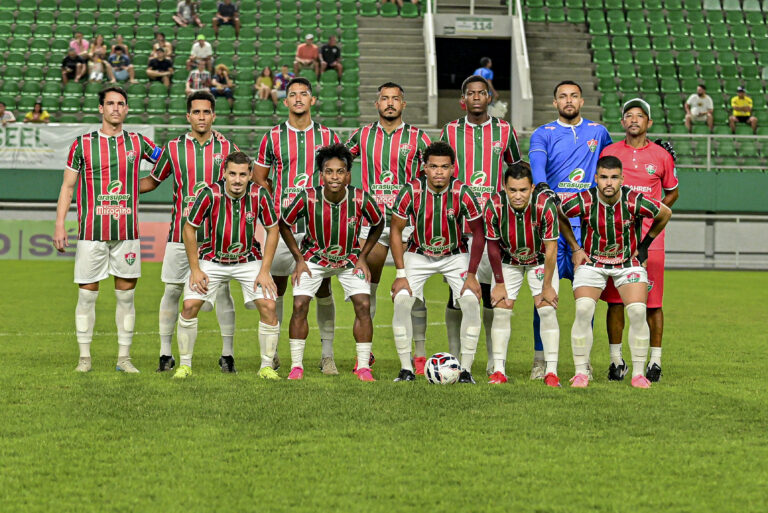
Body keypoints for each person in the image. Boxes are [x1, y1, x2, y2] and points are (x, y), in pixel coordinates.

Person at [52, 86, 161, 373]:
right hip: (91, 233)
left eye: (121, 104)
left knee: (126, 297)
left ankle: (124, 359)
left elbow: (168, 161)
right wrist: (60, 224)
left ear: (126, 109)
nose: (115, 108)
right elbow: (68, 186)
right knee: (87, 296)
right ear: (101, 108)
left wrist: (141, 186)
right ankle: (84, 359)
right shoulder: (82, 144)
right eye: (110, 103)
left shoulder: (139, 142)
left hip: (127, 234)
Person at [139, 89, 241, 373]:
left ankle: (227, 354)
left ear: (214, 115)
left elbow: (238, 187)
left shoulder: (227, 148)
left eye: (206, 111)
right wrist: (122, 188)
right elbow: (152, 181)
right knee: (171, 290)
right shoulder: (173, 148)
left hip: (217, 236)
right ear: (188, 116)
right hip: (179, 234)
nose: (201, 116)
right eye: (196, 112)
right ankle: (165, 353)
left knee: (222, 292)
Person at [559, 155, 671, 388]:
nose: (608, 183)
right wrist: (575, 247)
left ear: (622, 179)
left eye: (613, 177)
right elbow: (560, 212)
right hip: (593, 263)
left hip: (626, 263)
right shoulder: (584, 199)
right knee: (583, 310)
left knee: (638, 312)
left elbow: (664, 213)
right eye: (603, 177)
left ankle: (638, 374)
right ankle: (581, 373)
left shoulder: (633, 200)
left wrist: (644, 245)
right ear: (596, 178)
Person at [253, 78, 341, 373]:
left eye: (304, 94)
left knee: (323, 288)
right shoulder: (273, 136)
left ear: (312, 100)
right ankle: (274, 351)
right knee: (275, 287)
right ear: (285, 101)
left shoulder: (327, 135)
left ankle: (327, 354)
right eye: (293, 94)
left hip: (318, 225)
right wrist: (275, 203)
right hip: (282, 225)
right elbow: (259, 177)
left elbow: (337, 175)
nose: (299, 98)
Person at [345, 82, 433, 374]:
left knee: (413, 291)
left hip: (406, 225)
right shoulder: (363, 134)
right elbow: (339, 162)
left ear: (403, 105)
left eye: (396, 99)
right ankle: (365, 354)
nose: (390, 103)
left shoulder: (419, 138)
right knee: (365, 291)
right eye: (385, 99)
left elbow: (433, 175)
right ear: (377, 104)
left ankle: (419, 355)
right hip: (371, 223)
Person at [527, 80, 612, 380]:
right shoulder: (543, 133)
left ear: (582, 101)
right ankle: (540, 360)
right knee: (543, 299)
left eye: (573, 95)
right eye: (562, 96)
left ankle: (583, 360)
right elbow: (537, 165)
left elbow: (614, 164)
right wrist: (544, 188)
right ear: (554, 103)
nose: (568, 100)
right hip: (550, 227)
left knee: (585, 302)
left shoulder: (598, 133)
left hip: (586, 231)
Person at [279, 144, 384, 381]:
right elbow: (284, 223)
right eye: (329, 171)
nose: (334, 177)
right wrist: (298, 259)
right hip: (313, 258)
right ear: (321, 175)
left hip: (350, 260)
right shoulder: (307, 197)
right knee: (299, 306)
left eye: (340, 171)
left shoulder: (360, 198)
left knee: (363, 306)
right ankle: (296, 367)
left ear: (348, 174)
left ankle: (364, 367)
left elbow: (378, 223)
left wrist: (364, 257)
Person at [172, 151, 281, 379]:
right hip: (212, 260)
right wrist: (195, 269)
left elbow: (273, 230)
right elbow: (188, 228)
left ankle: (266, 366)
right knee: (190, 306)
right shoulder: (209, 194)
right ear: (224, 173)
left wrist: (264, 271)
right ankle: (185, 365)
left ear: (251, 174)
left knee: (269, 307)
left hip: (247, 260)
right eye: (232, 174)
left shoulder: (260, 194)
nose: (237, 180)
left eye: (242, 174)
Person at [440, 75, 521, 375]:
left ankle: (491, 358)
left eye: (481, 93)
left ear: (490, 98)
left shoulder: (504, 130)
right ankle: (454, 353)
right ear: (463, 99)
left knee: (489, 294)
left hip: (494, 224)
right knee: (458, 294)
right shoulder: (450, 130)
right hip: (460, 224)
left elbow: (516, 171)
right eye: (470, 93)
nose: (476, 97)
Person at [390, 141, 485, 383]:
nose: (439, 172)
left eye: (444, 166)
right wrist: (400, 273)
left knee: (471, 301)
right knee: (402, 299)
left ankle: (465, 371)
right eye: (433, 166)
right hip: (418, 252)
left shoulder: (463, 192)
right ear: (424, 168)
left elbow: (479, 232)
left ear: (453, 168)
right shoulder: (411, 190)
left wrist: (472, 275)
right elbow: (395, 230)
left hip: (454, 254)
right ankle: (406, 370)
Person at [599, 98, 679, 382]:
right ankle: (616, 361)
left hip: (651, 241)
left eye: (640, 115)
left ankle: (654, 362)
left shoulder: (661, 155)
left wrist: (657, 211)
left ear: (649, 122)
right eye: (628, 115)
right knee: (615, 302)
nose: (634, 119)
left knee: (652, 303)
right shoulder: (609, 152)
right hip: (615, 239)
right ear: (622, 122)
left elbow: (672, 192)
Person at [485, 162, 561, 386]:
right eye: (512, 190)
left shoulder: (545, 205)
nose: (518, 196)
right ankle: (499, 371)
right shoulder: (494, 205)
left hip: (539, 261)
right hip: (508, 261)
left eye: (523, 190)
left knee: (547, 310)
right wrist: (498, 283)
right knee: (501, 310)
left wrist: (547, 285)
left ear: (533, 188)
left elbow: (551, 249)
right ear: (505, 188)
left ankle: (551, 372)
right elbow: (492, 247)